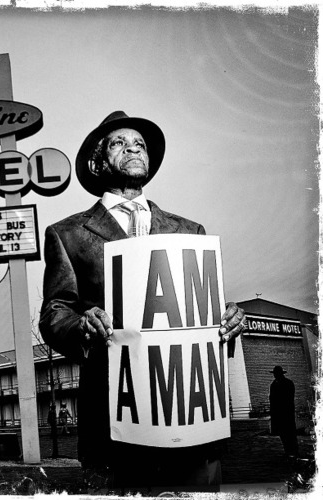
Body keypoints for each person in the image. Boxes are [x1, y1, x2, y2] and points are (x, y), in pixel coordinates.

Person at [39, 111, 246, 490]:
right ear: (99, 162)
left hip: (190, 424)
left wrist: (228, 319)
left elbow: (203, 309)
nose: (132, 148)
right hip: (115, 426)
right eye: (119, 143)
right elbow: (55, 312)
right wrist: (80, 326)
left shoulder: (189, 230)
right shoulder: (66, 234)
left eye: (140, 145)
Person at [269, 365, 299, 458]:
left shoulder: (279, 384)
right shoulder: (278, 384)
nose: (275, 376)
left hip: (285, 412)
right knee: (284, 433)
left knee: (289, 433)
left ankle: (292, 451)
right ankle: (289, 450)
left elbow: (288, 398)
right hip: (281, 413)